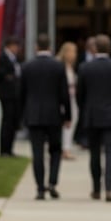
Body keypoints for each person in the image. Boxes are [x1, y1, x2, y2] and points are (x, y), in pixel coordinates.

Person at [77, 34, 111, 202]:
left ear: (94, 48)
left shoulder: (85, 68)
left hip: (93, 116)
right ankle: (109, 188)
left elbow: (80, 95)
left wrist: (84, 111)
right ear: (110, 48)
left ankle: (96, 188)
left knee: (94, 153)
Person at [20, 34, 70, 200]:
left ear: (36, 47)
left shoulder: (27, 66)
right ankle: (52, 182)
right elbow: (64, 94)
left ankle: (40, 188)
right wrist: (68, 115)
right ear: (50, 47)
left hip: (34, 116)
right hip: (54, 115)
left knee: (37, 153)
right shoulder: (58, 66)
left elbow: (21, 94)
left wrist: (22, 116)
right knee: (55, 150)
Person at [0, 35, 22, 156]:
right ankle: (4, 149)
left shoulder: (15, 59)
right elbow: (2, 74)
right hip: (6, 94)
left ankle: (9, 148)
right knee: (7, 121)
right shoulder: (2, 57)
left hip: (15, 94)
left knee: (13, 121)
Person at [56, 41, 79, 160]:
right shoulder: (60, 66)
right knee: (66, 122)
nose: (74, 55)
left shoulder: (70, 67)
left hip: (72, 98)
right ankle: (64, 148)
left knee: (72, 121)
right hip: (64, 99)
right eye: (73, 52)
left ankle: (66, 146)